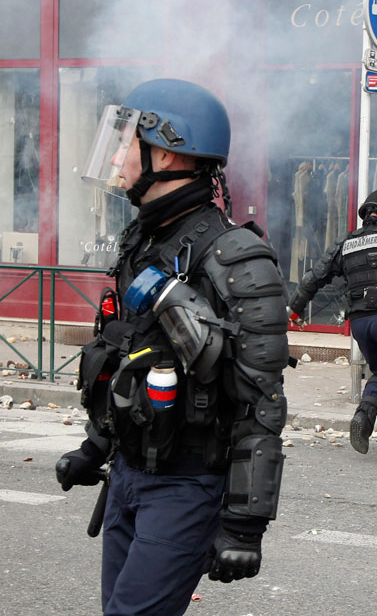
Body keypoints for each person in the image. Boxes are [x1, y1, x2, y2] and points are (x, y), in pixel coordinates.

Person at [56, 78, 290, 613]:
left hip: (186, 485)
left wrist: (245, 524)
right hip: (128, 476)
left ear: (164, 152)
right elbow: (128, 355)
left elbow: (262, 400)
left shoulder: (238, 258)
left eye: (126, 141)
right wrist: (96, 445)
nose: (116, 155)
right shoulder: (142, 240)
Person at [288, 189, 377, 462]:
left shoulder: (345, 243)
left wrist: (295, 310)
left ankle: (363, 414)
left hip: (360, 326)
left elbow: (313, 278)